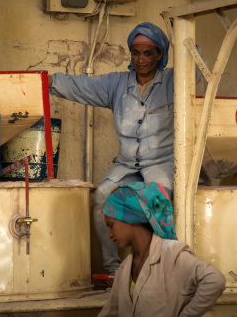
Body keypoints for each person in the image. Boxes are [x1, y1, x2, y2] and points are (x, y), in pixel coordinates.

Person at [48, 22, 174, 274]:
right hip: (126, 164)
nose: (141, 59)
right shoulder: (117, 83)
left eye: (148, 53)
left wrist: (182, 33)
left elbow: (201, 69)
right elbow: (79, 86)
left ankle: (163, 268)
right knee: (103, 196)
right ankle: (112, 269)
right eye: (135, 52)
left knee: (159, 200)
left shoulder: (173, 80)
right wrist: (46, 81)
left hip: (162, 162)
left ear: (160, 54)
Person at [98, 182, 226, 317]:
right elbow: (111, 312)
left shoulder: (172, 254)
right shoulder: (125, 268)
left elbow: (214, 280)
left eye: (111, 225)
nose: (109, 235)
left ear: (130, 217)